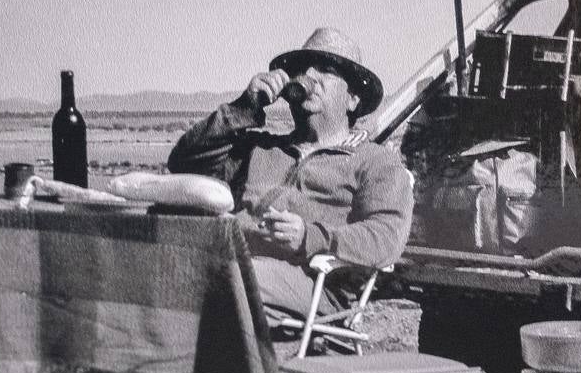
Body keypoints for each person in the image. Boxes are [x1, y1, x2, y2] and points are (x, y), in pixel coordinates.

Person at [168, 27, 414, 323]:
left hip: (318, 286)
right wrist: (245, 107)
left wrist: (309, 236)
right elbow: (184, 161)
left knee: (221, 277)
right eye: (301, 68)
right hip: (243, 268)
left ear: (352, 98)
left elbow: (387, 237)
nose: (308, 74)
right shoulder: (262, 149)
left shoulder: (376, 162)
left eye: (325, 68)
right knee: (170, 268)